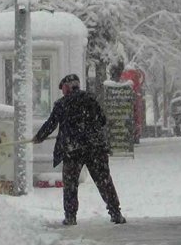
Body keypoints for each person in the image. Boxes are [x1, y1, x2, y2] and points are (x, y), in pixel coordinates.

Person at [33, 74, 125, 226]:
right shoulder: (91, 99)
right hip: (95, 147)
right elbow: (102, 120)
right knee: (104, 181)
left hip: (73, 149)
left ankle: (70, 216)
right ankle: (116, 213)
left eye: (63, 88)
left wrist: (39, 137)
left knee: (70, 184)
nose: (62, 91)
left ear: (68, 87)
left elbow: (51, 124)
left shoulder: (62, 104)